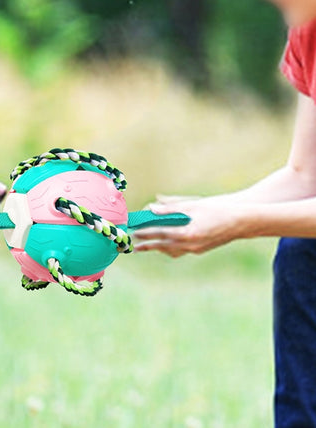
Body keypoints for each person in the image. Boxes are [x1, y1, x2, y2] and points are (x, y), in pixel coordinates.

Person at [133, 1, 316, 426]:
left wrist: (238, 223)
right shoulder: (310, 32)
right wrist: (202, 210)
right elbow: (305, 175)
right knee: (302, 253)